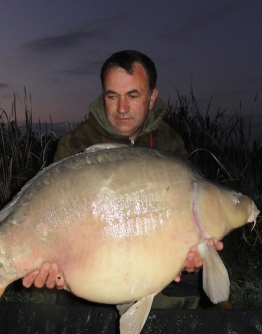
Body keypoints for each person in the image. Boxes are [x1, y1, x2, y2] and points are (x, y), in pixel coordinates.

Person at [22, 50, 223, 307]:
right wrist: (50, 263)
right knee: (44, 302)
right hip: (88, 261)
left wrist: (191, 256)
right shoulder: (76, 144)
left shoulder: (169, 143)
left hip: (147, 257)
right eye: (112, 96)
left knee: (194, 280)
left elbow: (186, 219)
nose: (122, 108)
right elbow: (51, 217)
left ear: (152, 98)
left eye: (133, 95)